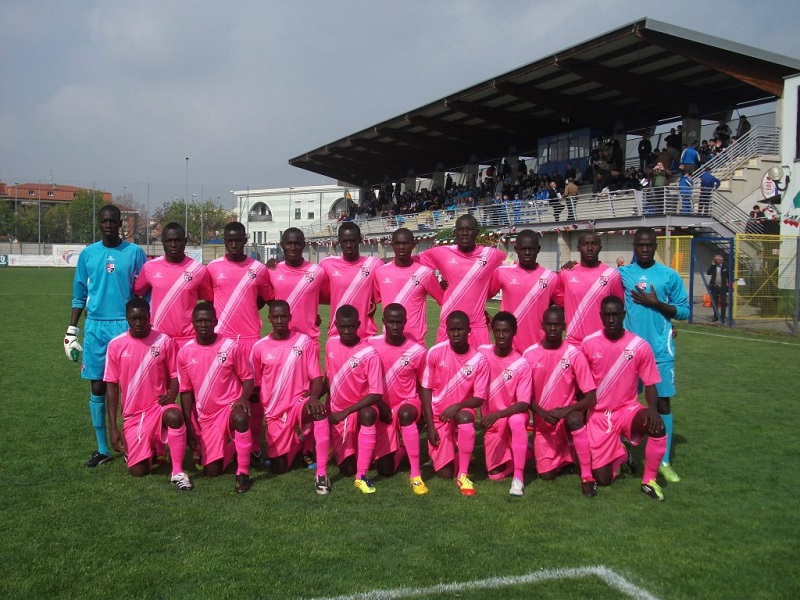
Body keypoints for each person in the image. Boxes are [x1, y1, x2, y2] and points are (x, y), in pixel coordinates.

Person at [66, 204, 147, 467]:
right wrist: (71, 329)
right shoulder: (88, 254)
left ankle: (134, 443)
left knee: (129, 389)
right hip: (96, 328)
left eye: (113, 221)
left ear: (121, 223)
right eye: (104, 221)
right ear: (99, 224)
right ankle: (102, 449)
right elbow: (79, 293)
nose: (109, 225)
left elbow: (145, 292)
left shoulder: (134, 253)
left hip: (125, 327)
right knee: (98, 386)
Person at [619, 228, 689, 484]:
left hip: (660, 352)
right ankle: (620, 453)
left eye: (649, 245)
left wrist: (656, 304)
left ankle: (663, 461)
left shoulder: (669, 276)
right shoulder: (623, 274)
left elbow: (684, 311)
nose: (645, 249)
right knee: (620, 404)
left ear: (655, 246)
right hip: (628, 354)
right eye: (640, 245)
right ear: (634, 246)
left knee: (662, 404)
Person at [581, 296, 668, 501]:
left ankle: (649, 481)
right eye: (607, 315)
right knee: (603, 480)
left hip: (627, 410)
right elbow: (581, 383)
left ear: (623, 315)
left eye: (615, 315)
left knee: (657, 425)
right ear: (601, 316)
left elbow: (650, 383)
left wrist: (653, 411)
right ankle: (621, 454)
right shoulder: (589, 344)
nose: (611, 319)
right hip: (599, 416)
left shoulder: (639, 346)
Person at [104, 298, 192, 490]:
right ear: (127, 318)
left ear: (149, 317)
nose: (138, 323)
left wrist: (172, 392)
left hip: (158, 407)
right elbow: (111, 385)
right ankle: (153, 448)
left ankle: (177, 472)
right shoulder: (116, 345)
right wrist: (113, 426)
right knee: (138, 472)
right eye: (134, 318)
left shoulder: (164, 341)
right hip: (133, 414)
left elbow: (175, 374)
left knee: (175, 415)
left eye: (142, 318)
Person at [206, 222, 274, 465]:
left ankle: (254, 445)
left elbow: (268, 298)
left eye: (238, 240)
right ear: (224, 240)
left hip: (250, 341)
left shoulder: (259, 268)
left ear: (245, 240)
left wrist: (247, 308)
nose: (233, 244)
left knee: (253, 396)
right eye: (229, 240)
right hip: (221, 342)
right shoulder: (212, 268)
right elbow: (208, 299)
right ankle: (224, 443)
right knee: (220, 395)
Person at [177, 303, 255, 493]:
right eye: (199, 321)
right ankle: (235, 445)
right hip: (207, 417)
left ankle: (243, 473)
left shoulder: (230, 347)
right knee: (212, 472)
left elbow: (248, 378)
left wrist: (244, 399)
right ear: (192, 323)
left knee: (240, 417)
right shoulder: (185, 352)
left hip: (229, 408)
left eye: (208, 321)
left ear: (216, 322)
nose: (204, 324)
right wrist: (188, 424)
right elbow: (185, 391)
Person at [250, 301, 328, 490]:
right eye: (275, 317)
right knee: (279, 468)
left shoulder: (303, 342)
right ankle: (298, 443)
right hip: (274, 413)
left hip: (298, 404)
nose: (279, 320)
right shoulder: (260, 347)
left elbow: (317, 376)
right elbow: (255, 384)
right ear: (268, 319)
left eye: (283, 316)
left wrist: (314, 398)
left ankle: (322, 474)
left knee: (318, 410)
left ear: (289, 318)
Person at [523, 306, 598, 497]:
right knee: (546, 476)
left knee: (574, 419)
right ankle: (564, 453)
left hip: (565, 418)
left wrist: (565, 411)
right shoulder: (529, 355)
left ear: (564, 326)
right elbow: (523, 396)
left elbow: (590, 397)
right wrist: (541, 413)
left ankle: (587, 476)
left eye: (557, 325)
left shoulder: (574, 354)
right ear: (542, 326)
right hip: (543, 422)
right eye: (549, 324)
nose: (553, 329)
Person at [421, 311, 490, 496]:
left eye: (460, 329)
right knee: (444, 474)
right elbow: (426, 389)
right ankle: (458, 452)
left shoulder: (479, 360)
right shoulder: (435, 352)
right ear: (447, 330)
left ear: (469, 330)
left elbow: (480, 398)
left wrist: (457, 406)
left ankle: (463, 474)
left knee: (466, 416)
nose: (456, 333)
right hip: (438, 414)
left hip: (460, 412)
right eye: (452, 329)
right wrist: (429, 425)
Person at [417, 213, 506, 347]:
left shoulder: (491, 255)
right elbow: (408, 261)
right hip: (449, 327)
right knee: (445, 368)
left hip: (477, 328)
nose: (465, 233)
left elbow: (517, 268)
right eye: (461, 229)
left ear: (477, 232)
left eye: (469, 229)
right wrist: (377, 263)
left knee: (480, 367)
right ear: (455, 232)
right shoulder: (441, 253)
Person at [368, 304, 429, 494]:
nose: (395, 326)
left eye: (399, 322)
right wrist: (378, 402)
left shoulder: (417, 351)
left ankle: (416, 474)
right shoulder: (371, 345)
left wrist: (426, 416)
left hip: (407, 404)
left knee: (405, 413)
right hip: (382, 409)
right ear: (383, 322)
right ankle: (401, 448)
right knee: (385, 470)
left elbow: (424, 385)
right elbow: (363, 380)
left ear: (405, 322)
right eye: (391, 322)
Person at [323, 304, 385, 494]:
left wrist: (347, 412)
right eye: (343, 326)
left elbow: (376, 393)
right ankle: (353, 453)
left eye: (351, 326)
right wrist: (313, 397)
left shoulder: (369, 353)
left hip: (358, 409)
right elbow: (328, 377)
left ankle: (362, 475)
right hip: (338, 413)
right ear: (336, 325)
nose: (347, 330)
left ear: (358, 324)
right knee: (346, 469)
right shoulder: (331, 344)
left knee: (367, 414)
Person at [477, 312, 532, 496]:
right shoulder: (482, 353)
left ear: (514, 332)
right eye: (498, 331)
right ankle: (523, 453)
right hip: (491, 420)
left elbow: (524, 403)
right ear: (492, 331)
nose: (501, 336)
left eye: (506, 331)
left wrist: (498, 415)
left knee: (516, 421)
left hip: (511, 415)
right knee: (494, 475)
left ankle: (518, 477)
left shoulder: (521, 363)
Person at [487, 229, 557, 352]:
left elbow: (564, 304)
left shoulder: (551, 277)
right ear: (516, 249)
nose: (527, 252)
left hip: (539, 347)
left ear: (538, 249)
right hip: (509, 347)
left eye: (531, 249)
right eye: (523, 249)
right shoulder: (502, 273)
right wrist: (482, 315)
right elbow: (481, 295)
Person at [374, 228, 443, 345]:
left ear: (413, 245)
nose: (401, 247)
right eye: (398, 243)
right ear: (392, 245)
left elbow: (443, 299)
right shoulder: (380, 272)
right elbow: (373, 300)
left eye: (405, 243)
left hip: (415, 342)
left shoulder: (425, 273)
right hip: (389, 340)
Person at [554, 231, 623, 346]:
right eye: (585, 244)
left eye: (594, 244)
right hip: (573, 343)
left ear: (600, 247)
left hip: (602, 342)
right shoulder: (566, 273)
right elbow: (559, 298)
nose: (590, 248)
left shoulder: (612, 275)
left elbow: (618, 307)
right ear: (578, 248)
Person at [319, 221, 382, 339]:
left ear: (360, 240)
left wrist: (371, 300)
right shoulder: (327, 264)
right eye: (345, 241)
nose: (348, 245)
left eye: (352, 240)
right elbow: (309, 290)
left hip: (365, 334)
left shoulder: (374, 264)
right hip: (337, 334)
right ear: (339, 241)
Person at [269, 228, 328, 342]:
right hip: (282, 340)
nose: (293, 248)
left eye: (297, 244)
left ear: (304, 245)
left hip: (309, 339)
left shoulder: (318, 272)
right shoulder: (272, 270)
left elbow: (331, 295)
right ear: (282, 245)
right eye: (289, 243)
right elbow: (265, 298)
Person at [706, 254, 730, 324]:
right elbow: (708, 272)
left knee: (723, 303)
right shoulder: (714, 267)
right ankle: (716, 316)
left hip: (722, 287)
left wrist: (729, 288)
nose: (716, 261)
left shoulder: (725, 267)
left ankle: (722, 318)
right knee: (714, 302)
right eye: (715, 259)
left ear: (721, 260)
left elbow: (729, 277)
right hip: (714, 287)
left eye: (718, 259)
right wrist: (712, 265)